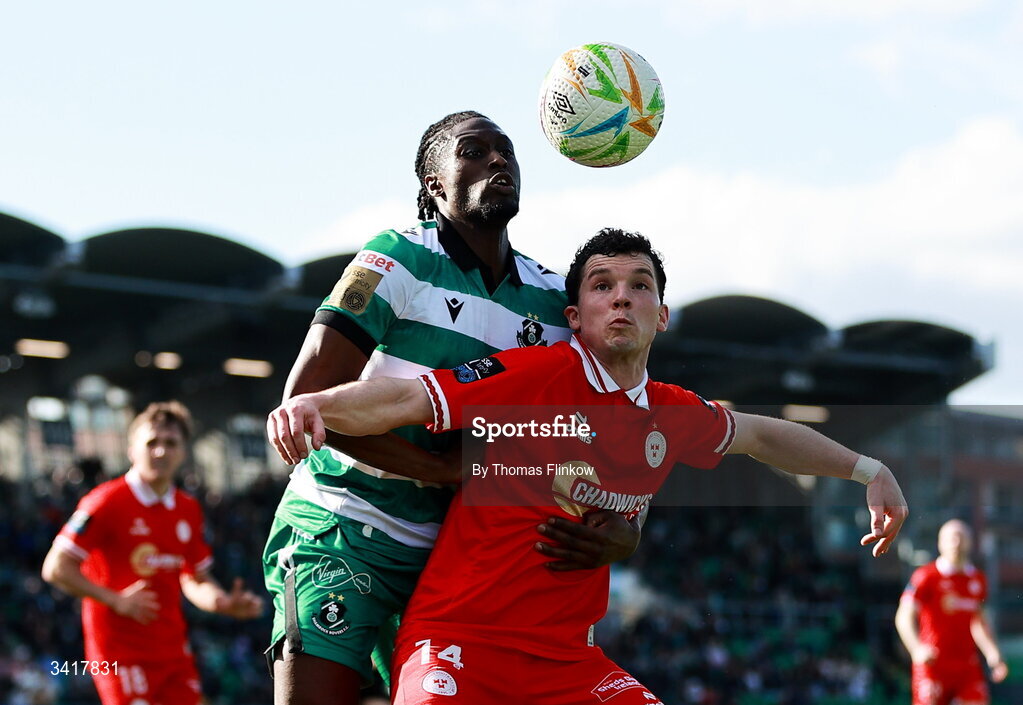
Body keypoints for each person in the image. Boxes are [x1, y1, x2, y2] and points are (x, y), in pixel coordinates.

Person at [267, 228, 909, 704]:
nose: (621, 299)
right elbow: (409, 396)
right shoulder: (533, 373)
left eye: (639, 287)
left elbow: (763, 437)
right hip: (462, 642)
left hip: (565, 661)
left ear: (662, 315)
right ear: (574, 318)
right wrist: (317, 404)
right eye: (602, 287)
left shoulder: (670, 413)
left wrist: (867, 470)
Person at [263, 111, 642, 704]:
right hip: (341, 525)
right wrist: (441, 470)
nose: (498, 161)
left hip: (459, 564)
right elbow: (305, 403)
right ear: (434, 184)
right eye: (474, 151)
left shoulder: (550, 299)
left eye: (507, 152)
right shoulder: (395, 260)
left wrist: (627, 527)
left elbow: (608, 426)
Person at [42, 401, 263, 705]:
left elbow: (195, 578)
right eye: (152, 442)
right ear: (132, 449)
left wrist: (222, 602)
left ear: (184, 452)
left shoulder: (188, 509)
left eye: (170, 443)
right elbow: (56, 568)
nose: (160, 451)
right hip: (119, 655)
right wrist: (116, 600)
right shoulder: (106, 501)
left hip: (173, 652)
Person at [896, 519, 1009, 705]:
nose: (956, 542)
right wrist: (916, 648)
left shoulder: (978, 580)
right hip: (933, 664)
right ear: (940, 543)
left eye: (961, 537)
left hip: (967, 667)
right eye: (951, 537)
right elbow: (903, 616)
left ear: (970, 542)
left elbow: (978, 622)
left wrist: (992, 653)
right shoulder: (926, 576)